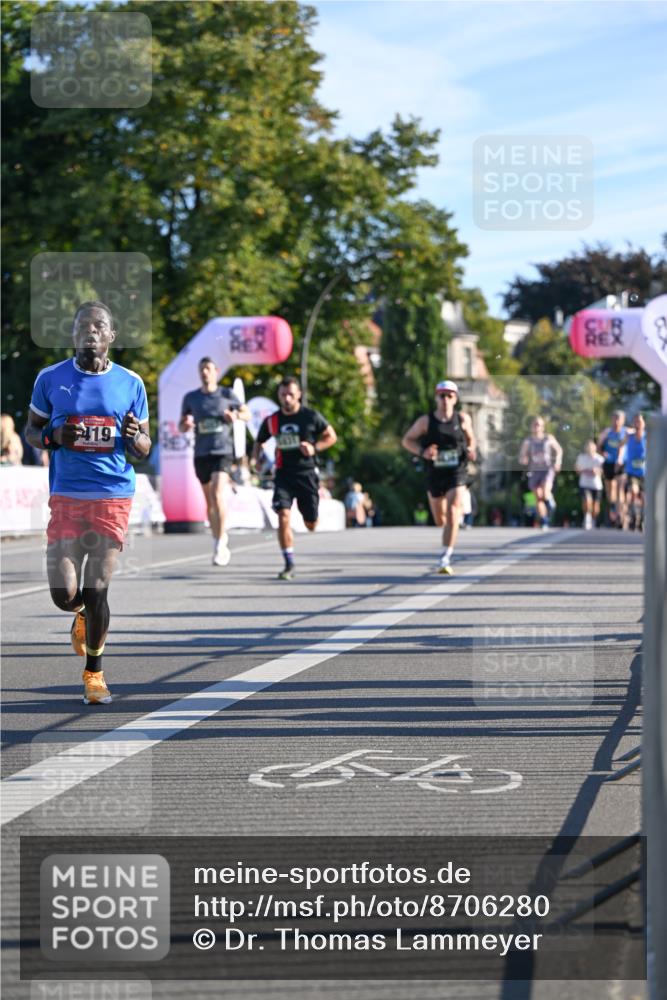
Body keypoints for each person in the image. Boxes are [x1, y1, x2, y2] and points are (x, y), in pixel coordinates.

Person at [25, 301, 151, 705]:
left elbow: (145, 448)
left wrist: (135, 437)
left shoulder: (131, 383)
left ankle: (94, 674)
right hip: (66, 497)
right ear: (73, 334)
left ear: (112, 336)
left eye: (99, 325)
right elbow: (32, 429)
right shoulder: (51, 378)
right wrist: (51, 438)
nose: (91, 331)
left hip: (113, 496)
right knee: (64, 592)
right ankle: (78, 612)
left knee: (98, 589)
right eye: (83, 325)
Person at [253, 376, 337, 579]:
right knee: (283, 516)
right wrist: (256, 459)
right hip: (283, 474)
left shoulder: (310, 417)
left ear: (299, 394)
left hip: (306, 474)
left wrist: (314, 448)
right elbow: (259, 441)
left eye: (291, 394)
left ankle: (311, 518)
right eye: (283, 394)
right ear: (279, 396)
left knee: (311, 523)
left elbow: (331, 436)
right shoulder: (272, 420)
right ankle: (289, 564)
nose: (287, 398)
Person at [179, 358, 249, 566]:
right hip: (201, 453)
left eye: (208, 369)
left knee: (218, 494)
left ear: (216, 371)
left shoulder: (226, 394)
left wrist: (234, 415)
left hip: (223, 451)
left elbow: (247, 413)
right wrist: (185, 423)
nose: (205, 373)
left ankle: (220, 544)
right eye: (201, 370)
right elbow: (182, 426)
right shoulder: (191, 398)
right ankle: (218, 537)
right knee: (209, 501)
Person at [401, 379, 476, 574]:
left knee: (452, 512)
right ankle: (451, 528)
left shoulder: (462, 419)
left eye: (449, 396)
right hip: (434, 472)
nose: (445, 399)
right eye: (441, 395)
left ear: (455, 399)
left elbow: (471, 439)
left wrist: (471, 450)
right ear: (436, 397)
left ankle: (445, 557)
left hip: (456, 470)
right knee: (440, 520)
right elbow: (407, 440)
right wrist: (423, 451)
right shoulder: (426, 421)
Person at [518, 417, 562, 530]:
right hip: (534, 470)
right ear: (532, 427)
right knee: (538, 496)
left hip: (546, 469)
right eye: (535, 424)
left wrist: (557, 462)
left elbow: (559, 450)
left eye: (539, 425)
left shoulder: (548, 438)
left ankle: (550, 502)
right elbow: (522, 455)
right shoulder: (528, 440)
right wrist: (524, 459)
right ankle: (544, 520)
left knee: (545, 491)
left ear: (543, 427)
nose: (537, 427)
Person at [597, 410, 627, 528]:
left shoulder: (626, 432)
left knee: (620, 489)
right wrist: (602, 453)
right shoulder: (606, 432)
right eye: (615, 418)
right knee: (611, 492)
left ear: (623, 420)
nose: (616, 421)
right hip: (608, 464)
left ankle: (621, 515)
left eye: (619, 419)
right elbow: (598, 447)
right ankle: (614, 508)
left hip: (620, 464)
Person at [619, 413, 646, 531]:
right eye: (635, 422)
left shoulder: (648, 436)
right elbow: (620, 445)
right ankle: (633, 516)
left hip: (644, 472)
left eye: (639, 421)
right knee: (633, 492)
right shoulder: (629, 436)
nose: (637, 424)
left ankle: (641, 519)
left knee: (644, 498)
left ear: (643, 423)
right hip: (631, 471)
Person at [574, 439, 605, 529]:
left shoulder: (599, 459)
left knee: (595, 507)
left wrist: (597, 471)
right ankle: (587, 517)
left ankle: (593, 518)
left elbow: (602, 471)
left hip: (596, 485)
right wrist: (579, 469)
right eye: (588, 447)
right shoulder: (581, 457)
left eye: (591, 448)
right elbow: (577, 469)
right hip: (584, 484)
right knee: (587, 501)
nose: (590, 449)